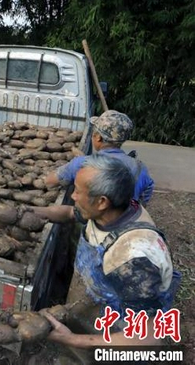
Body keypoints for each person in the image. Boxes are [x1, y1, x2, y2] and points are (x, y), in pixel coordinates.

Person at [31, 154, 180, 361]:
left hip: (119, 340)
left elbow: (150, 335)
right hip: (93, 310)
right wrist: (30, 212)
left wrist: (73, 339)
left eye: (77, 191)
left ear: (102, 201)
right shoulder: (111, 210)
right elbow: (70, 214)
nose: (72, 196)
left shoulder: (133, 258)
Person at [45, 110, 154, 205]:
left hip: (94, 226)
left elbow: (50, 181)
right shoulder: (140, 168)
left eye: (94, 133)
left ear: (98, 138)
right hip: (126, 224)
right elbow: (143, 200)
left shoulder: (81, 164)